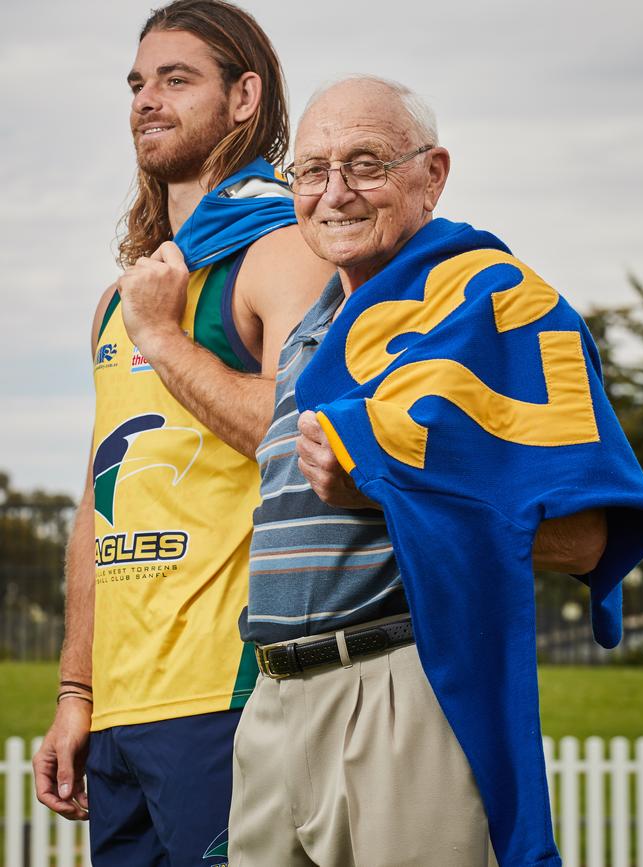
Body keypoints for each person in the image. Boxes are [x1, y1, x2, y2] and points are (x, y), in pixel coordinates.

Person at [228, 76, 643, 867]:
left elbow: (592, 537)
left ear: (434, 173)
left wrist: (391, 486)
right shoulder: (306, 333)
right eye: (312, 170)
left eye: (366, 163)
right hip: (274, 698)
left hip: (400, 689)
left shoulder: (503, 305)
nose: (335, 192)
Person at [32, 2, 332, 865]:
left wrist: (165, 338)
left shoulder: (284, 253)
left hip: (231, 696)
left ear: (244, 98)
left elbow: (306, 443)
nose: (147, 100)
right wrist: (77, 688)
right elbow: (99, 504)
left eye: (176, 79)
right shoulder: (120, 297)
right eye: (137, 82)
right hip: (121, 716)